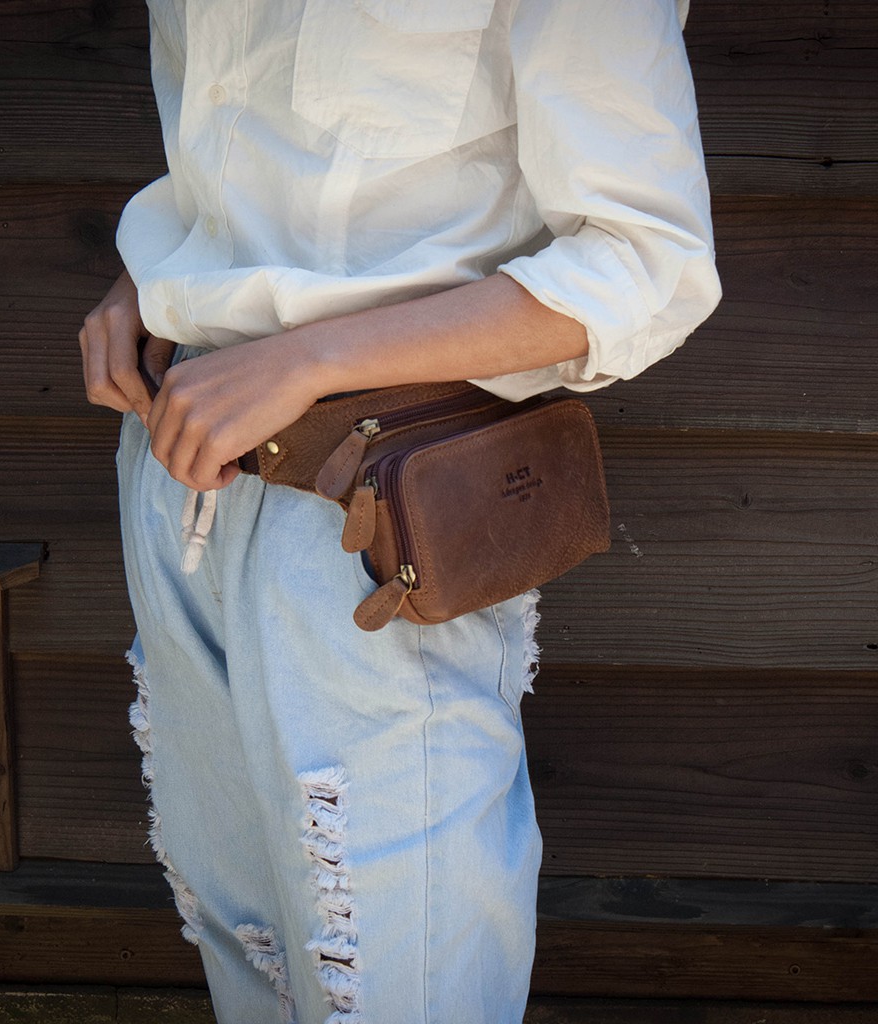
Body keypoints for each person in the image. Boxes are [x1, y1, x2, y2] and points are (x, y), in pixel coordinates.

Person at [78, 1, 720, 1021]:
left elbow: (648, 262)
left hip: (379, 507)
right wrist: (154, 280)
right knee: (251, 962)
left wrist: (308, 357)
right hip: (176, 456)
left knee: (400, 981)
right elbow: (250, 161)